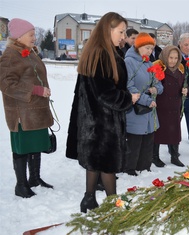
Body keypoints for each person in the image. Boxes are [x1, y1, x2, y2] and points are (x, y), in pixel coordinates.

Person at [65, 12, 133, 213]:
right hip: (103, 122)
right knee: (107, 164)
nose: (123, 36)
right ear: (108, 29)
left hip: (94, 120)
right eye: (120, 32)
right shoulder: (102, 55)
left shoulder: (101, 51)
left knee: (95, 161)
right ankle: (114, 205)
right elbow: (106, 94)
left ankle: (89, 199)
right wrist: (129, 98)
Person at [0, 18, 54, 198]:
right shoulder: (10, 55)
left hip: (36, 110)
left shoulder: (29, 52)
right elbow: (6, 83)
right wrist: (36, 90)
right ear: (19, 36)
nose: (34, 38)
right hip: (21, 112)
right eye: (30, 35)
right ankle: (21, 185)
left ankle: (35, 179)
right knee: (22, 147)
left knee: (35, 144)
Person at [123, 32, 164, 176]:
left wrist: (156, 89)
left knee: (148, 139)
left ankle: (144, 166)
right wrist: (147, 100)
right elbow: (129, 86)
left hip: (149, 110)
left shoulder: (149, 63)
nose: (150, 51)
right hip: (136, 108)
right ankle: (130, 168)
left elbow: (159, 85)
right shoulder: (129, 61)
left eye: (151, 49)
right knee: (135, 140)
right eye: (147, 48)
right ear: (138, 46)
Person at [152, 46, 188, 167]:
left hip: (175, 106)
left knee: (175, 131)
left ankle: (174, 155)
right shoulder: (159, 68)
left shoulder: (180, 70)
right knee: (158, 131)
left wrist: (185, 90)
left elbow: (184, 85)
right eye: (170, 57)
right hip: (161, 106)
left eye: (175, 58)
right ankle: (155, 156)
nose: (173, 60)